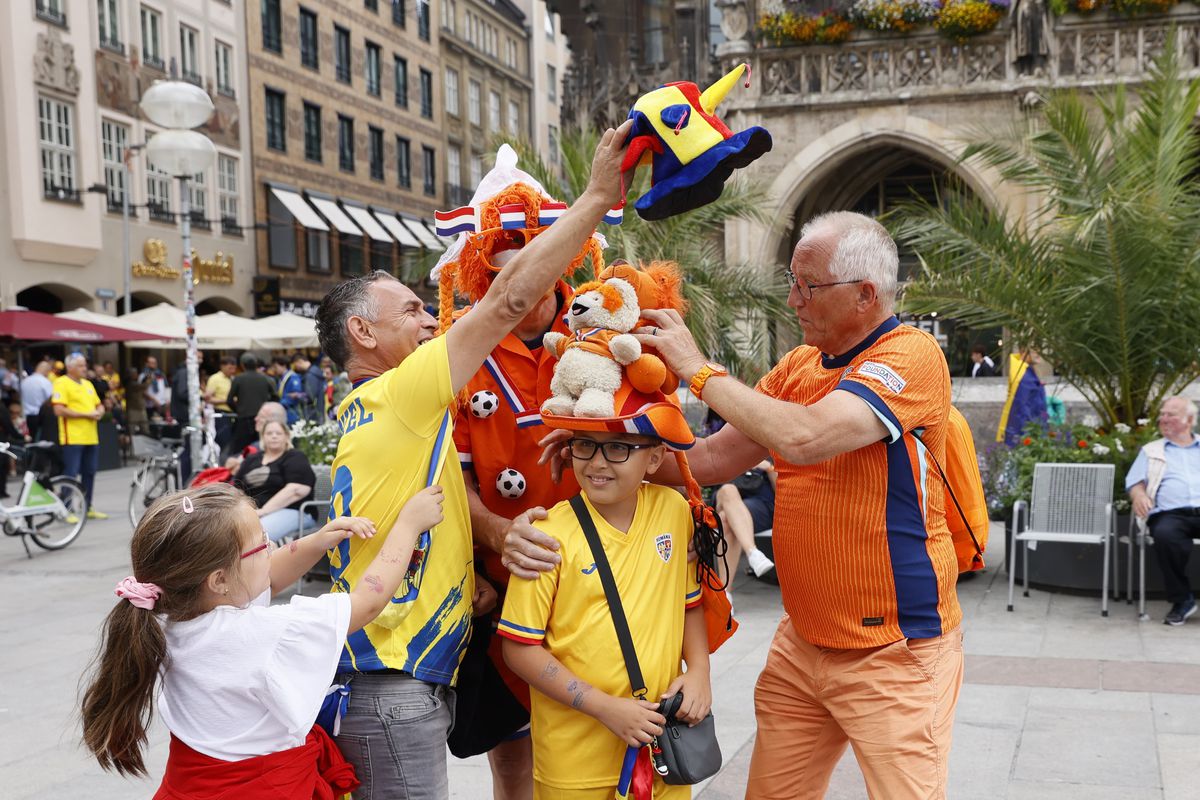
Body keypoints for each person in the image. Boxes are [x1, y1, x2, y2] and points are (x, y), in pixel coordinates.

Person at [536, 211, 963, 798]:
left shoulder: (910, 355)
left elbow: (805, 436)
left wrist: (695, 370)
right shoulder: (800, 365)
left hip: (894, 652)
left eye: (807, 286)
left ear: (865, 294)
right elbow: (709, 460)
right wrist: (609, 447)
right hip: (803, 642)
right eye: (792, 281)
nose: (792, 299)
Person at [313, 119, 632, 800]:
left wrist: (469, 576)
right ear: (362, 333)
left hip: (401, 668)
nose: (432, 321)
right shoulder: (404, 393)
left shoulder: (371, 413)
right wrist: (599, 196)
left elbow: (436, 504)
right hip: (393, 681)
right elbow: (509, 299)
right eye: (410, 312)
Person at [79, 480, 445, 795]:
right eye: (261, 543)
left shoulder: (162, 617)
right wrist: (408, 526)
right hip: (263, 787)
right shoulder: (263, 632)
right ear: (219, 580)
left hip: (192, 786)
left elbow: (263, 578)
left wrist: (317, 542)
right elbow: (366, 602)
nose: (271, 548)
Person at [438, 147, 613, 798]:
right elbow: (446, 479)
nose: (529, 287)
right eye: (512, 272)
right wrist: (491, 536)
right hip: (506, 586)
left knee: (597, 745)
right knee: (514, 766)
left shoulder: (602, 338)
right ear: (486, 277)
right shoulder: (461, 356)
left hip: (598, 582)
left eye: (543, 265)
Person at [500, 429, 710, 800]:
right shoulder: (546, 536)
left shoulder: (674, 510)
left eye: (617, 448)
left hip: (664, 744)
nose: (597, 462)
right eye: (584, 445)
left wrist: (699, 673)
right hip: (574, 761)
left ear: (655, 457)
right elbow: (519, 649)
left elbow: (688, 603)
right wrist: (605, 708)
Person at [1126, 395, 1200, 626]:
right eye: (1162, 414)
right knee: (1166, 536)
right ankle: (1182, 600)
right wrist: (1138, 495)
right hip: (1170, 514)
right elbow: (1135, 482)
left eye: (1171, 415)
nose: (1163, 419)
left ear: (1189, 420)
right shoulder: (1151, 451)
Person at [234, 420, 318, 543]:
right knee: (227, 531)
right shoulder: (252, 459)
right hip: (254, 512)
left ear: (287, 436)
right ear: (263, 437)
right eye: (269, 433)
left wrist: (263, 511)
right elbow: (237, 488)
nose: (274, 436)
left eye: (278, 433)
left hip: (295, 511)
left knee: (254, 536)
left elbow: (297, 490)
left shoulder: (294, 457)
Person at [52, 353, 109, 520]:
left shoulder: (88, 384)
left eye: (85, 365)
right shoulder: (61, 383)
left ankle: (87, 506)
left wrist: (99, 411)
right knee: (71, 474)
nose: (84, 368)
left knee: (89, 473)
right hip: (72, 438)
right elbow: (59, 410)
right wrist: (87, 414)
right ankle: (66, 509)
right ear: (70, 367)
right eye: (80, 366)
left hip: (91, 436)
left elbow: (99, 405)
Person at [713, 459, 777, 587]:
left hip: (760, 505)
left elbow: (783, 491)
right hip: (724, 497)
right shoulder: (721, 442)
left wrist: (769, 468)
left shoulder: (771, 448)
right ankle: (752, 552)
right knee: (728, 489)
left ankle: (725, 594)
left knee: (726, 518)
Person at [227, 353, 279, 456]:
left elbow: (229, 400)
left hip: (243, 419)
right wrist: (267, 408)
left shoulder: (238, 379)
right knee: (263, 448)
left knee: (242, 451)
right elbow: (275, 397)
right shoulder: (265, 378)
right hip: (263, 419)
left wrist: (238, 409)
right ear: (256, 364)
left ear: (242, 365)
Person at [20, 359, 54, 443]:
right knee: (39, 442)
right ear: (47, 371)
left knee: (30, 441)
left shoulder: (25, 381)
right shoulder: (45, 382)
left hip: (27, 416)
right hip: (40, 417)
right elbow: (51, 400)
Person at [280, 353, 312, 425]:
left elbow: (307, 395)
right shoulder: (284, 377)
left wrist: (296, 395)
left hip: (293, 412)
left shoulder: (293, 377)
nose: (296, 367)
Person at [123, 367, 149, 436]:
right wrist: (149, 379)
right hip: (133, 410)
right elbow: (143, 386)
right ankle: (131, 446)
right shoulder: (130, 384)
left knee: (145, 430)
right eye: (135, 373)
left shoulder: (135, 382)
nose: (136, 375)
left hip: (141, 409)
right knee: (131, 431)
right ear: (130, 374)